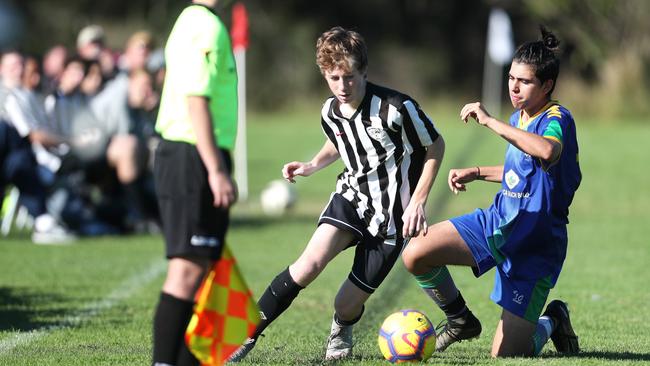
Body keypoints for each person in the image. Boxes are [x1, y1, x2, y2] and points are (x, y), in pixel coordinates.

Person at [230, 26, 446, 362]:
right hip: (352, 199)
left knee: (345, 303)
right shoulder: (329, 111)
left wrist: (418, 198)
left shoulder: (397, 108)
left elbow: (435, 145)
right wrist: (312, 164)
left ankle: (341, 325)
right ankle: (244, 335)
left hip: (391, 220)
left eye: (349, 77)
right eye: (333, 78)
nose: (342, 87)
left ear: (363, 71)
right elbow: (341, 139)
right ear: (325, 75)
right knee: (307, 266)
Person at [401, 25, 581, 357]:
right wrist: (478, 172)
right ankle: (460, 319)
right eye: (512, 78)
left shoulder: (558, 118)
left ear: (547, 85)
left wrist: (489, 121)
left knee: (507, 355)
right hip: (497, 224)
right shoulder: (520, 117)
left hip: (535, 244)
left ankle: (551, 320)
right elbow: (522, 174)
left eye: (525, 81)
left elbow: (546, 152)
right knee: (415, 254)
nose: (514, 86)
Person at [151, 0, 238, 365]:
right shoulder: (202, 24)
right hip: (192, 156)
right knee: (187, 269)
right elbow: (195, 100)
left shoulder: (207, 22)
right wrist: (215, 170)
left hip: (199, 155)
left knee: (200, 269)